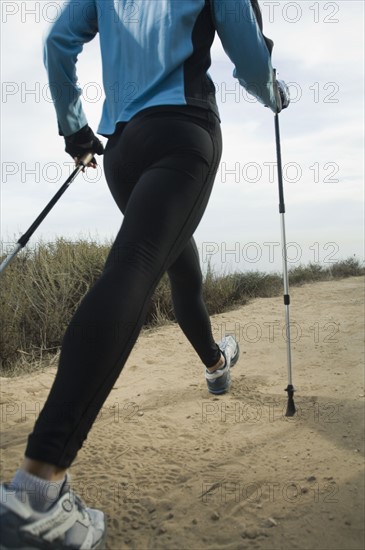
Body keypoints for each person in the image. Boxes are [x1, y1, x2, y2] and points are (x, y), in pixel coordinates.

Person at [0, 1, 290, 548]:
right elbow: (249, 57)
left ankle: (214, 364)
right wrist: (274, 92)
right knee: (136, 265)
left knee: (178, 264)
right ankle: (36, 492)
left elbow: (57, 42)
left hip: (121, 152)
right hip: (183, 134)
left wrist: (74, 130)